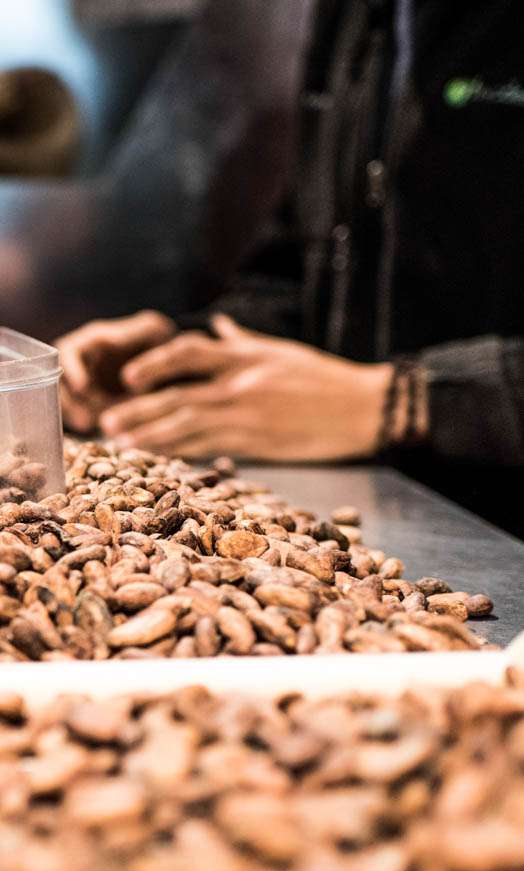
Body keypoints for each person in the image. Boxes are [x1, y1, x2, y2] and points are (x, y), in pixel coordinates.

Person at [56, 1, 524, 533]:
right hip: (390, 517)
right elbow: (305, 273)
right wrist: (186, 351)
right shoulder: (361, 17)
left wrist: (407, 402)